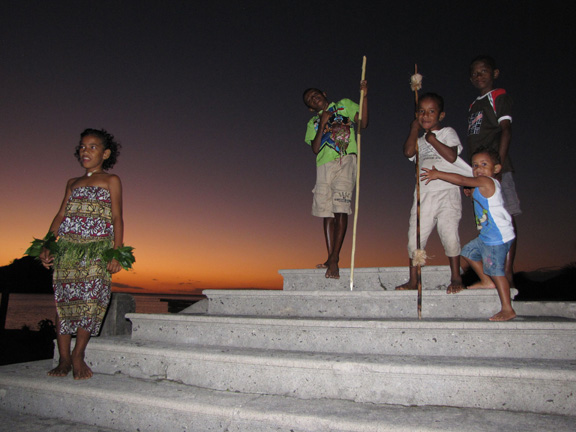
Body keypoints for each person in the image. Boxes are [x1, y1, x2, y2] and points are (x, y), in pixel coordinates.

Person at [39, 128, 125, 379]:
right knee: (64, 303)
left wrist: (116, 253)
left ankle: (78, 354)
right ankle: (63, 358)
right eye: (82, 146)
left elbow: (118, 217)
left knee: (89, 303)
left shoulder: (111, 180)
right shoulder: (72, 183)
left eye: (93, 147)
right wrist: (47, 244)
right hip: (67, 250)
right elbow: (60, 215)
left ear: (106, 153)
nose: (85, 151)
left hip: (96, 251)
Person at [421, 148, 517, 321]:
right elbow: (478, 195)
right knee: (467, 252)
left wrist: (438, 174)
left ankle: (507, 308)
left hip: (497, 238)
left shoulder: (488, 182)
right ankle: (486, 281)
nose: (478, 168)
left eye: (484, 164)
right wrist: (470, 192)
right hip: (487, 236)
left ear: (496, 169)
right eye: (475, 165)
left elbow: (463, 179)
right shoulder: (481, 185)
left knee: (496, 271)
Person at [395, 93, 472, 293]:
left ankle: (456, 277)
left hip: (447, 193)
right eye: (421, 111)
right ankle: (414, 280)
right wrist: (414, 129)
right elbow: (408, 153)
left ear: (441, 114)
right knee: (415, 238)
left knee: (450, 236)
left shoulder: (447, 132)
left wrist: (433, 139)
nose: (426, 115)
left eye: (431, 111)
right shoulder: (419, 140)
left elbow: (452, 155)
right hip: (424, 196)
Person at [303, 81, 368, 279]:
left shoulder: (344, 104)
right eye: (310, 100)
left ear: (324, 93)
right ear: (310, 108)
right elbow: (315, 148)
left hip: (345, 159)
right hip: (324, 165)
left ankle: (334, 259)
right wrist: (323, 122)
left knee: (341, 208)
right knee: (327, 212)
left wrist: (364, 96)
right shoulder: (312, 123)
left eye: (315, 94)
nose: (314, 98)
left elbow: (363, 123)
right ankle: (330, 256)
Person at [467, 55, 520, 287]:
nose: (480, 76)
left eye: (484, 71)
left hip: (496, 169)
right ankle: (492, 272)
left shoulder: (498, 96)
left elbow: (506, 130)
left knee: (505, 215)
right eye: (475, 73)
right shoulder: (473, 106)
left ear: (494, 73)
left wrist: (498, 169)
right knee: (486, 220)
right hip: (479, 173)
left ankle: (508, 269)